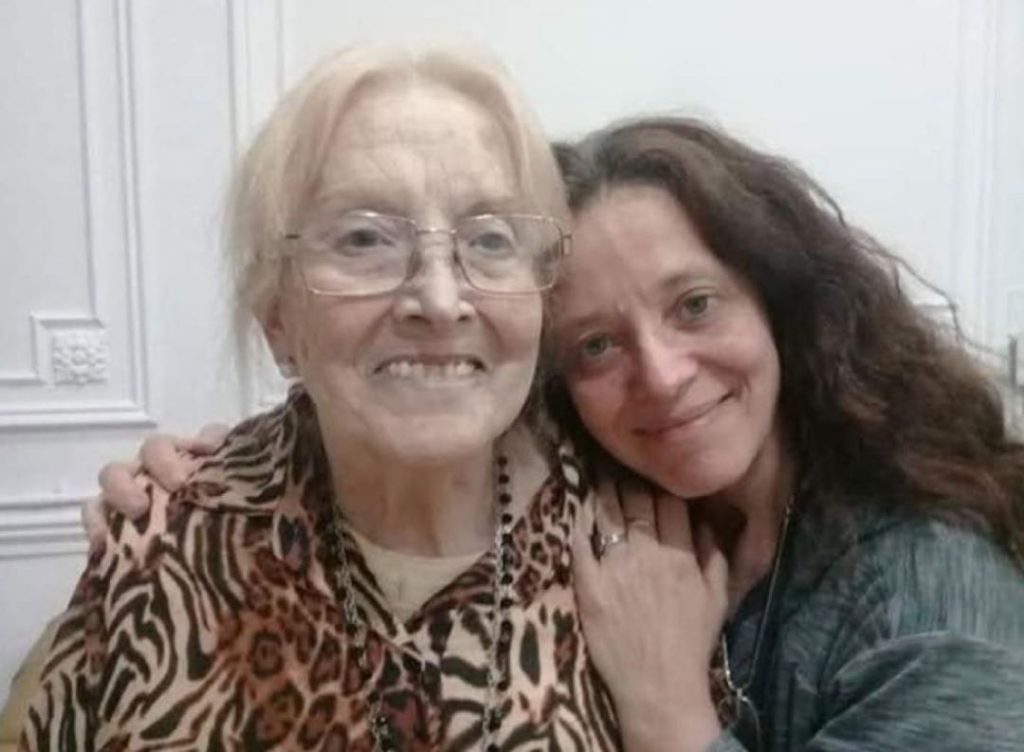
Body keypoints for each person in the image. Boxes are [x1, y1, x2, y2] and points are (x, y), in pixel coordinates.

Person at [84, 115, 1024, 751]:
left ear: (783, 305)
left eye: (695, 305)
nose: (661, 375)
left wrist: (670, 714)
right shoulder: (607, 497)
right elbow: (407, 413)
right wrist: (210, 482)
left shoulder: (932, 598)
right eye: (596, 345)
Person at [16, 45, 625, 751]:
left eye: (490, 239)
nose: (438, 299)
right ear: (278, 319)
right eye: (364, 238)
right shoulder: (167, 542)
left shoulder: (632, 541)